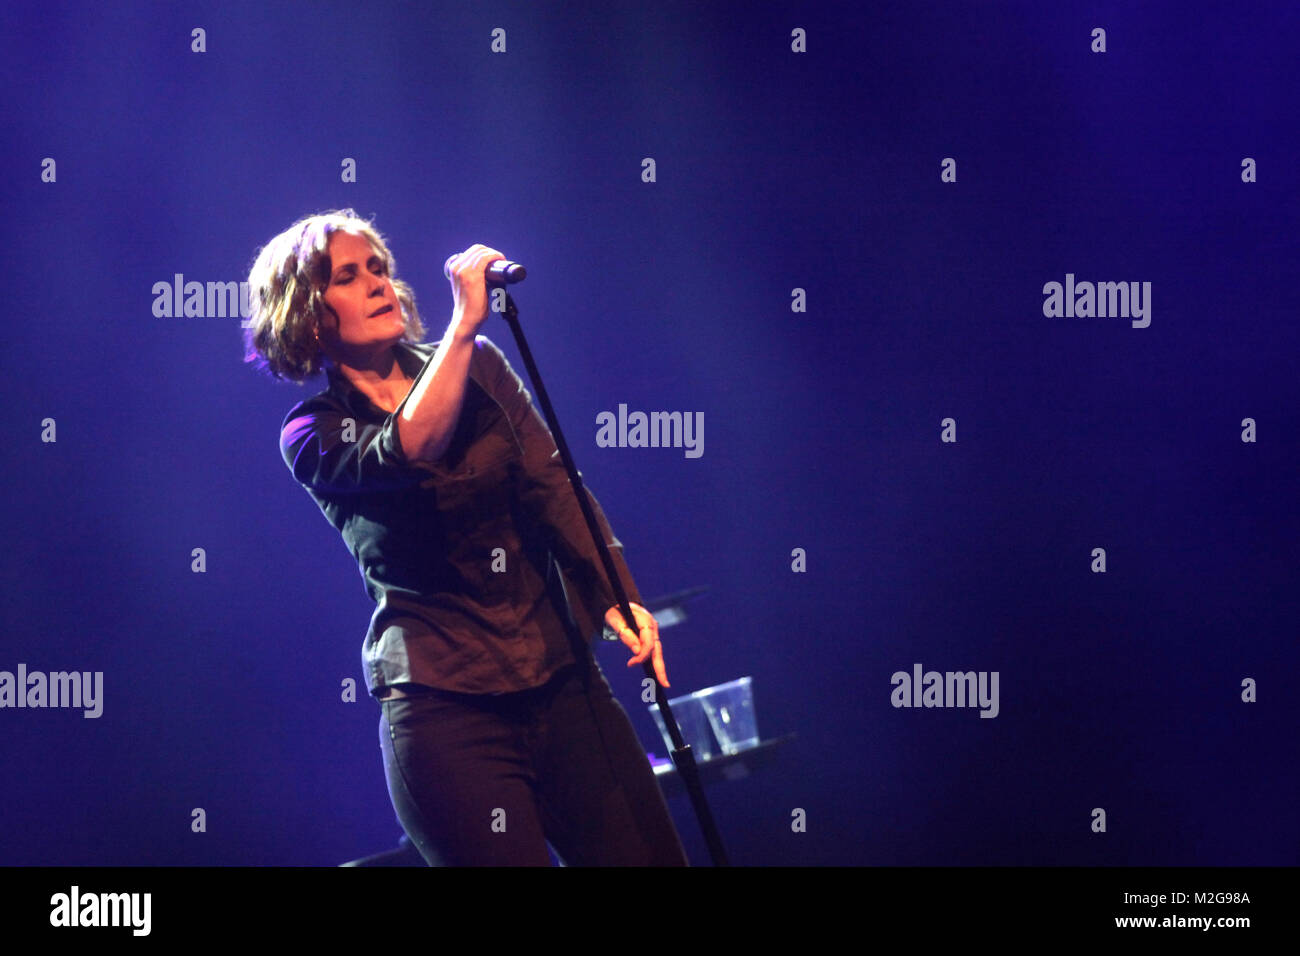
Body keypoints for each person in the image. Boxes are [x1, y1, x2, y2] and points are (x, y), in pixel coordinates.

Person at [243, 208, 688, 866]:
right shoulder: (311, 432)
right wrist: (461, 326)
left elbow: (553, 484)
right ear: (309, 316)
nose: (377, 284)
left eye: (380, 268)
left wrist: (614, 591)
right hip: (446, 715)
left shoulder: (480, 366)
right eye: (348, 276)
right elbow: (411, 448)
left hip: (562, 680)